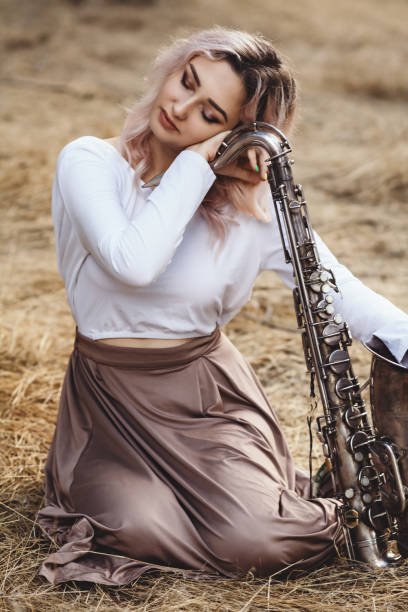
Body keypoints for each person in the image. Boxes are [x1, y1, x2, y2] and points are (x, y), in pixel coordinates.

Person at [36, 27, 408, 586]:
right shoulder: (90, 163)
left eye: (209, 114)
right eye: (186, 81)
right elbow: (133, 260)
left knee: (258, 540)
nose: (179, 107)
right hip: (107, 409)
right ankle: (233, 508)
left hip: (209, 406)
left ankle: (329, 509)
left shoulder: (251, 214)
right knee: (136, 524)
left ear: (238, 134)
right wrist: (199, 162)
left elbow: (342, 293)